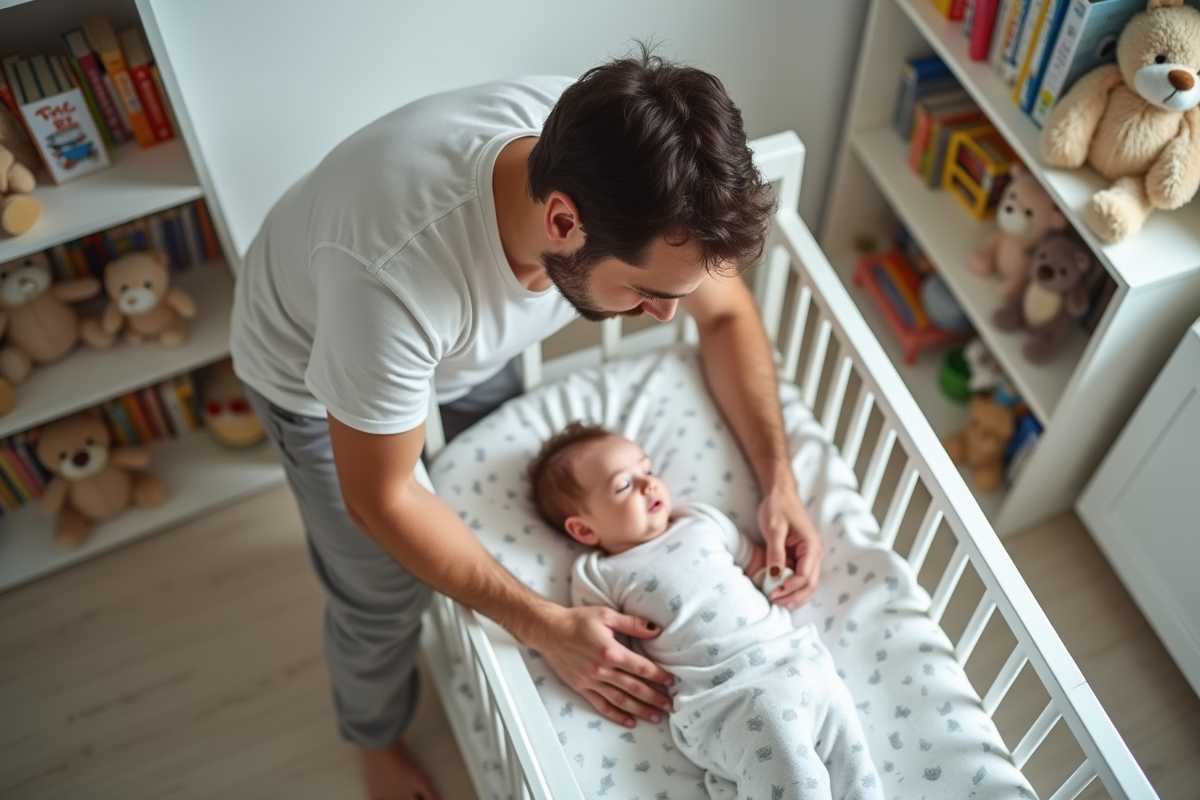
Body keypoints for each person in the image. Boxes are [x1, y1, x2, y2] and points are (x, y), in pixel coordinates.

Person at [229, 43, 826, 800]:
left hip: (455, 348)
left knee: (505, 476)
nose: (668, 314)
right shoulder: (394, 281)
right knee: (379, 587)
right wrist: (541, 625)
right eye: (646, 291)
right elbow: (380, 498)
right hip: (312, 368)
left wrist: (779, 483)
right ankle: (373, 737)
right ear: (562, 219)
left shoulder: (627, 157)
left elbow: (727, 315)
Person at [528, 423, 882, 800]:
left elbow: (757, 563)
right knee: (791, 771)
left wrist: (778, 578)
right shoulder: (598, 574)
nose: (648, 484)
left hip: (800, 658)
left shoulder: (700, 519)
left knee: (854, 767)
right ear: (583, 529)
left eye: (646, 470)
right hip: (733, 693)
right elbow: (605, 647)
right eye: (623, 486)